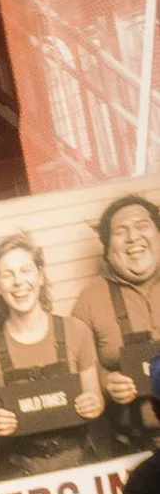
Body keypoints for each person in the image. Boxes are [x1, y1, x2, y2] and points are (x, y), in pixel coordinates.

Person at [0, 232, 105, 466]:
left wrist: (94, 403)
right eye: (7, 275)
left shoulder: (76, 331)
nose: (18, 282)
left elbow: (96, 396)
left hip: (78, 460)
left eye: (25, 270)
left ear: (41, 276)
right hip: (18, 467)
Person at [70, 192, 160, 451]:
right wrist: (105, 382)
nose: (133, 237)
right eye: (121, 231)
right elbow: (75, 368)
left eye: (142, 226)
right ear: (108, 250)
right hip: (134, 447)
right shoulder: (89, 299)